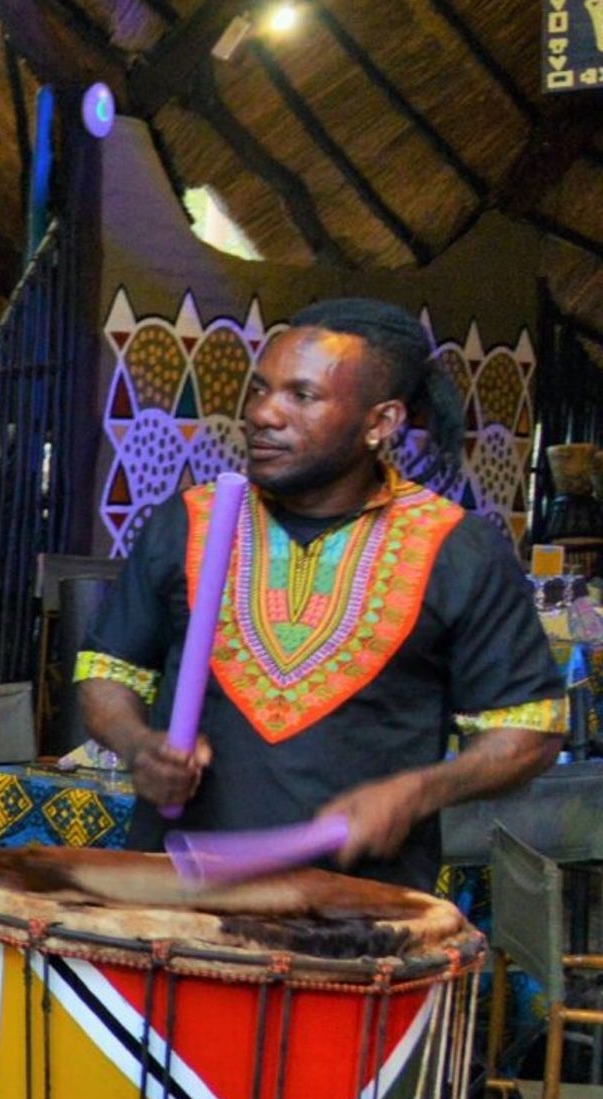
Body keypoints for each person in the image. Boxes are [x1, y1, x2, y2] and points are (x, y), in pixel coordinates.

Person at [76, 298, 560, 891]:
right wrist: (137, 745)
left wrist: (418, 791)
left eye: (302, 396)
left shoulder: (460, 550)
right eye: (260, 389)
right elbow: (107, 670)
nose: (263, 414)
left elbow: (528, 730)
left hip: (362, 909)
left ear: (380, 423)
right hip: (177, 893)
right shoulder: (187, 523)